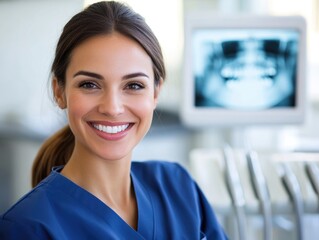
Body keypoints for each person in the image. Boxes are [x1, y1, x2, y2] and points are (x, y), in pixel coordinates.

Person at [0, 1, 228, 239]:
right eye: (89, 84)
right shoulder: (27, 227)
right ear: (59, 92)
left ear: (156, 93)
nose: (112, 108)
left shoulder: (178, 188)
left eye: (134, 85)